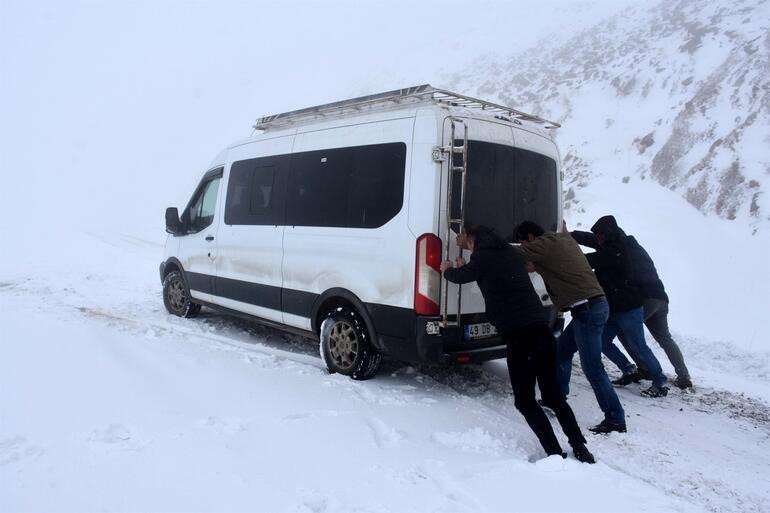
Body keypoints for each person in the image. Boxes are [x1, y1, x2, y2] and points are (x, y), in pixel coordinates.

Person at [441, 225, 595, 463]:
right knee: (554, 398)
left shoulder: (482, 257)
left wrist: (447, 269)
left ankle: (554, 452)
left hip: (519, 339)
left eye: (470, 244)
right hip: (542, 333)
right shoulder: (511, 254)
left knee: (524, 401)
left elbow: (460, 277)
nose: (469, 247)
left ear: (475, 242)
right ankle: (579, 446)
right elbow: (487, 272)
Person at [514, 221, 626, 434]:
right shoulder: (561, 241)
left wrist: (482, 247)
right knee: (561, 352)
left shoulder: (545, 243)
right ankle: (555, 399)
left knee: (593, 369)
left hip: (588, 309)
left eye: (523, 241)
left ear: (529, 237)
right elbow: (534, 264)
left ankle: (615, 418)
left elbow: (518, 254)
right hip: (590, 307)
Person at [570, 221, 692, 389]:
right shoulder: (629, 244)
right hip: (660, 297)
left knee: (628, 335)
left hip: (641, 298)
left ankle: (645, 370)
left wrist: (570, 236)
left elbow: (595, 248)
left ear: (608, 235)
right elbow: (594, 240)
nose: (598, 241)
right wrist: (573, 234)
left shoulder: (617, 250)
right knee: (664, 338)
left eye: (600, 237)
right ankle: (683, 375)